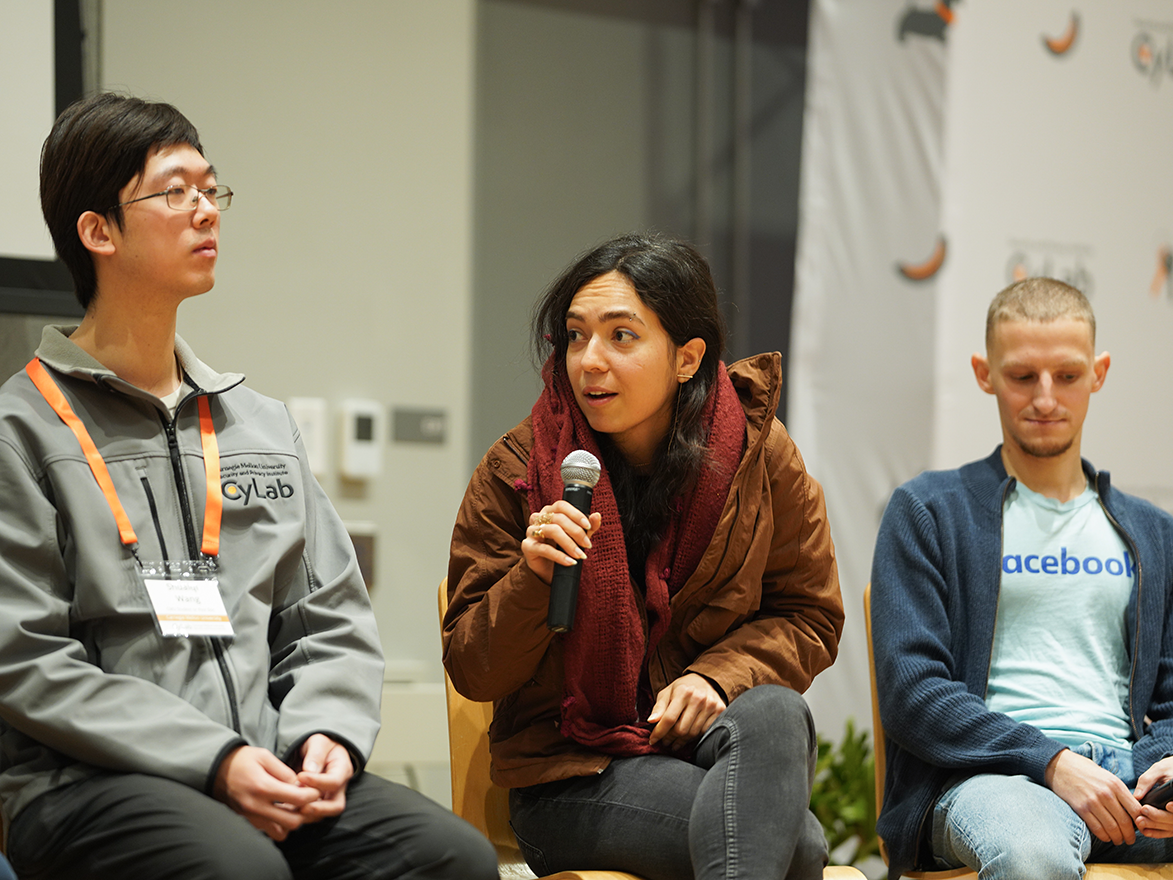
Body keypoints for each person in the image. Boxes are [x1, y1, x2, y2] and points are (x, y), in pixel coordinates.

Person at [0, 92, 498, 880]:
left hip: (266, 764)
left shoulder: (258, 424)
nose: (206, 211)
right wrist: (214, 760)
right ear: (97, 231)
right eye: (174, 192)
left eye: (210, 188)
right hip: (84, 783)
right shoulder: (20, 431)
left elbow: (326, 617)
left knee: (450, 858)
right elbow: (24, 660)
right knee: (240, 871)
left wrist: (324, 738)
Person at [443, 232, 844, 880]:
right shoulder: (517, 470)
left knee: (773, 709)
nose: (589, 362)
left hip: (701, 751)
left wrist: (717, 676)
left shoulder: (759, 457)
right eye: (575, 336)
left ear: (686, 357)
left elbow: (807, 615)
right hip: (570, 774)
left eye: (620, 337)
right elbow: (473, 668)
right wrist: (532, 579)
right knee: (790, 846)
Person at [870, 277, 1173, 880]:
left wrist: (1167, 762)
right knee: (1031, 854)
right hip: (988, 783)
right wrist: (1051, 761)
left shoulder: (1154, 532)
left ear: (1099, 372)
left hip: (1130, 787)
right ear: (984, 374)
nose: (1044, 397)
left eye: (1066, 375)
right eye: (1021, 376)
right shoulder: (929, 510)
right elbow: (913, 694)